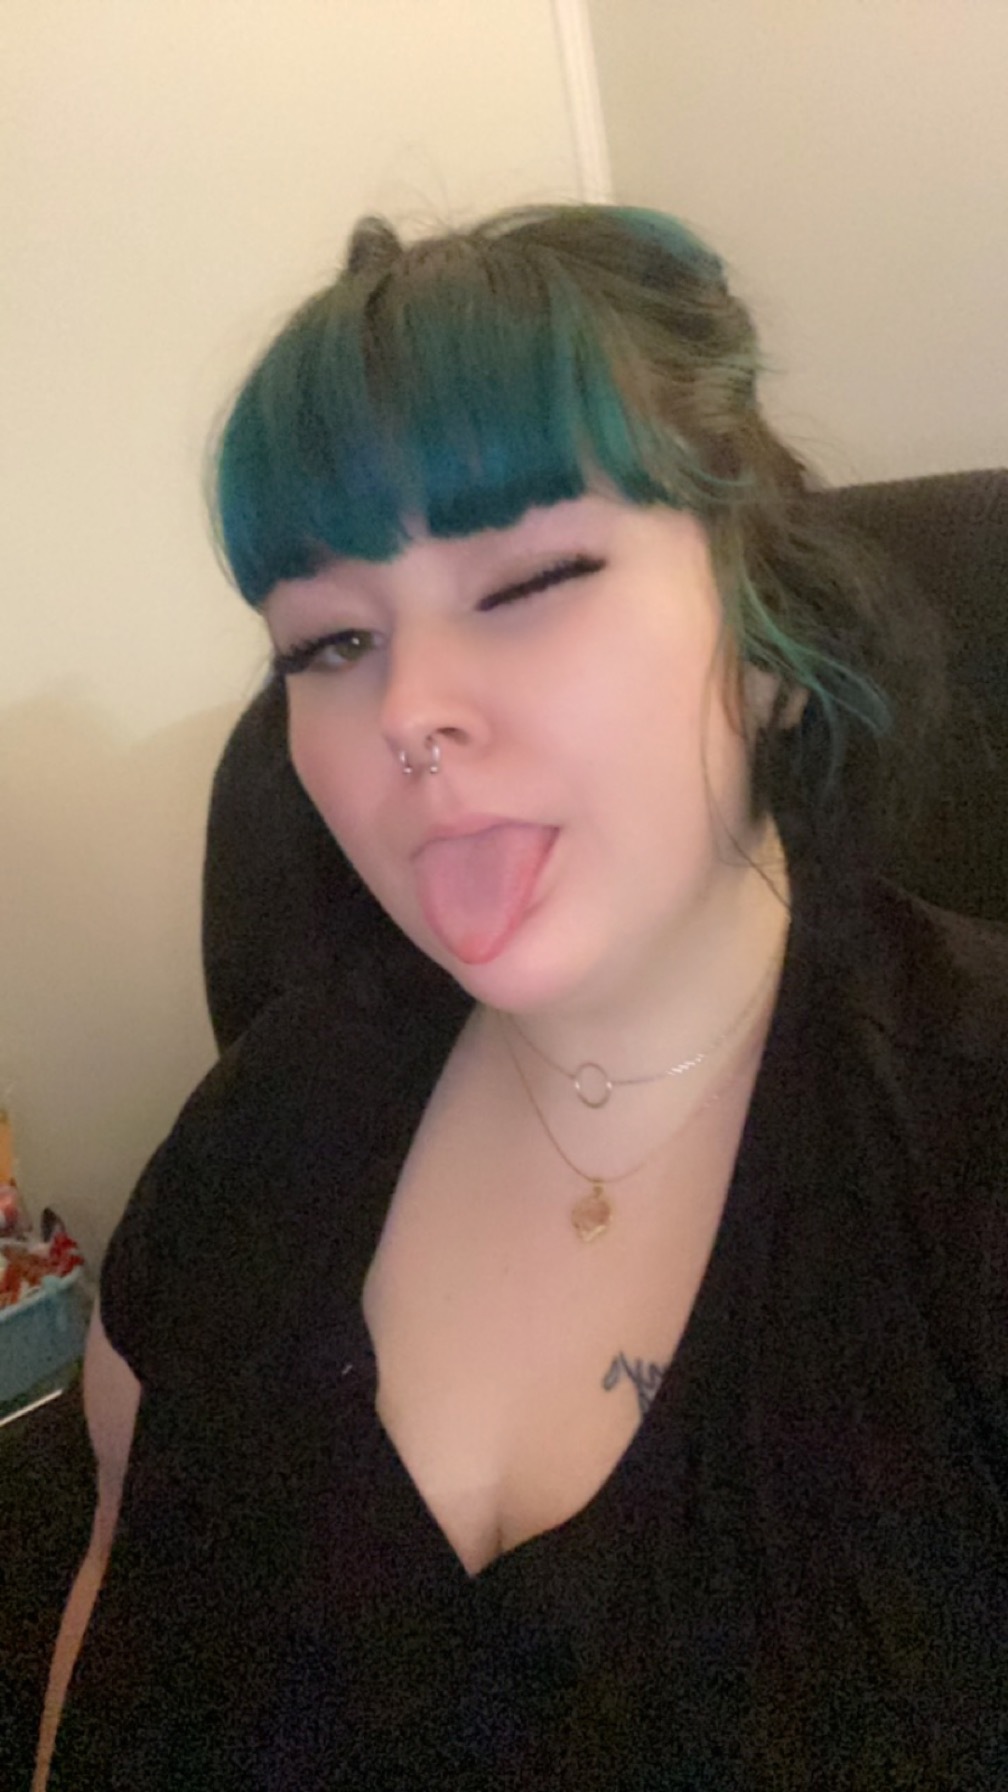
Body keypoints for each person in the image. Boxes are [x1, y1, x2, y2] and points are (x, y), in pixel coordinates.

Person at [37, 204, 1007, 1790]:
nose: (408, 711)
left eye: (532, 579)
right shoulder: (258, 1132)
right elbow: (112, 1585)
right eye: (329, 641)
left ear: (766, 636)